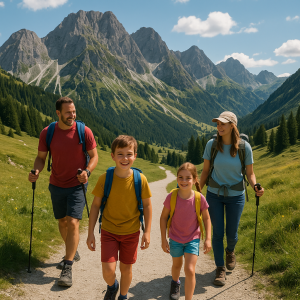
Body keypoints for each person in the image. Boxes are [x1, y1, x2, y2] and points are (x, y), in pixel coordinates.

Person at [28, 97, 98, 287]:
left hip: (77, 185)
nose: (72, 115)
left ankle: (67, 267)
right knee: (62, 221)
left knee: (73, 222)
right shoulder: (48, 132)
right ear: (58, 113)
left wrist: (87, 172)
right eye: (68, 112)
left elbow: (94, 156)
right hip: (56, 184)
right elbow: (41, 158)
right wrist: (36, 171)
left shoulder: (84, 131)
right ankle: (72, 251)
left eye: (74, 112)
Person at [199, 111, 264, 286]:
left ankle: (230, 250)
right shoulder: (212, 145)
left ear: (232, 126)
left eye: (223, 124)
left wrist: (255, 186)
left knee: (232, 234)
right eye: (218, 124)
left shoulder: (244, 148)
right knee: (218, 232)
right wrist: (197, 190)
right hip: (214, 194)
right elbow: (205, 171)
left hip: (236, 196)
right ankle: (220, 268)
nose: (219, 127)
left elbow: (250, 173)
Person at [86, 135, 152, 300]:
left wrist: (147, 232)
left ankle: (123, 296)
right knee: (108, 270)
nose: (125, 158)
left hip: (131, 232)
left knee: (126, 269)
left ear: (135, 156)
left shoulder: (140, 180)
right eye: (120, 154)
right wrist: (90, 232)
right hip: (109, 230)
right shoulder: (105, 178)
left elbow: (148, 206)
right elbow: (95, 206)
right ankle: (112, 286)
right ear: (113, 156)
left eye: (129, 154)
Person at [160, 162, 212, 300]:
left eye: (188, 178)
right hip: (175, 238)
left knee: (189, 270)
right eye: (180, 177)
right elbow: (163, 217)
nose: (184, 181)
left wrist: (208, 239)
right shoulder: (171, 197)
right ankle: (175, 283)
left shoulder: (199, 198)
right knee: (176, 266)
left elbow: (207, 219)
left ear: (195, 179)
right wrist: (163, 239)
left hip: (192, 239)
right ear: (177, 178)